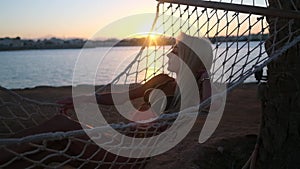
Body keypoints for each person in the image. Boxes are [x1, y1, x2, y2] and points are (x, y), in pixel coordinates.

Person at [0, 32, 213, 168]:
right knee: (52, 150)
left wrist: (204, 75)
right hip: (119, 141)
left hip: (131, 156)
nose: (168, 54)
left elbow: (206, 107)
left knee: (62, 125)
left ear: (188, 58)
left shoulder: (191, 96)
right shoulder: (161, 80)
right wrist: (83, 99)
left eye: (175, 50)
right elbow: (121, 97)